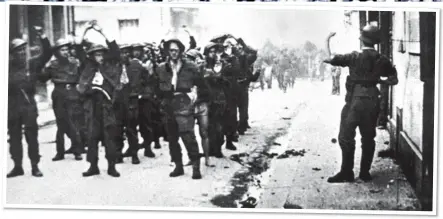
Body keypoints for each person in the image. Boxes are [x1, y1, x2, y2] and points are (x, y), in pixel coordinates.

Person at [323, 25, 398, 183]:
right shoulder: (382, 59)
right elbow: (393, 80)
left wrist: (327, 39)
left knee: (345, 136)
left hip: (354, 102)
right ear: (375, 42)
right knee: (368, 137)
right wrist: (378, 79)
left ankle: (347, 172)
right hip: (372, 100)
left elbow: (330, 58)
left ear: (362, 40)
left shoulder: (354, 57)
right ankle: (365, 173)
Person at [76, 24, 122, 177]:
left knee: (109, 135)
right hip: (91, 104)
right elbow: (78, 48)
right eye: (96, 55)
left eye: (102, 54)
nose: (100, 57)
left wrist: (102, 31)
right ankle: (93, 166)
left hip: (106, 104)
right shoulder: (87, 66)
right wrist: (85, 30)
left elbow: (115, 50)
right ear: (91, 56)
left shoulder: (109, 66)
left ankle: (111, 166)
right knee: (92, 135)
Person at [7, 26, 51, 178]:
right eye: (17, 51)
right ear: (11, 54)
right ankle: (17, 166)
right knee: (14, 138)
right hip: (12, 107)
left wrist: (43, 36)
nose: (21, 53)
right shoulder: (6, 68)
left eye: (23, 50)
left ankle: (35, 166)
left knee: (32, 137)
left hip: (29, 106)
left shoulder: (32, 64)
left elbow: (47, 54)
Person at [156, 38, 202, 179]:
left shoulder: (191, 67)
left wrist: (194, 93)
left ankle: (195, 166)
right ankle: (178, 166)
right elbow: (155, 87)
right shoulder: (161, 68)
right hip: (168, 105)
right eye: (171, 50)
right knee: (172, 138)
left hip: (184, 104)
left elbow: (201, 84)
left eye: (176, 50)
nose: (174, 53)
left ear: (181, 51)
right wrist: (161, 102)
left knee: (188, 137)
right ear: (167, 52)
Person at [41, 38, 85, 162]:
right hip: (58, 94)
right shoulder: (53, 65)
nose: (65, 52)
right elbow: (43, 79)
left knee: (73, 122)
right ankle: (60, 152)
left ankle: (77, 150)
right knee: (60, 124)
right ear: (57, 52)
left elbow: (82, 77)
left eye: (67, 49)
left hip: (72, 94)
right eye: (62, 49)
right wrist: (45, 67)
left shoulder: (75, 62)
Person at [114, 44, 144, 164]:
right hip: (118, 101)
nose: (125, 55)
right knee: (117, 129)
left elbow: (145, 79)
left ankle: (134, 154)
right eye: (122, 52)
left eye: (127, 52)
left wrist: (139, 92)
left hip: (132, 100)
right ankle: (118, 154)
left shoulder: (136, 65)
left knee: (132, 129)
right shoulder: (114, 67)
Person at [186, 49, 213, 166]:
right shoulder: (184, 72)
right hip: (190, 105)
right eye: (188, 59)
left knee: (204, 132)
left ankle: (207, 158)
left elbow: (209, 91)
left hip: (202, 105)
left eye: (192, 59)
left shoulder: (205, 72)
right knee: (189, 134)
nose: (189, 61)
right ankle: (192, 158)